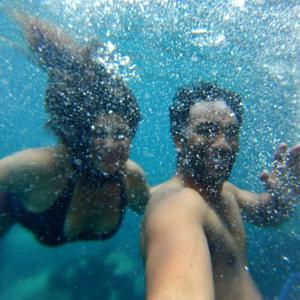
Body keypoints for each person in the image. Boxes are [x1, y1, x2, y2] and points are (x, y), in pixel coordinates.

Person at [0, 13, 149, 246]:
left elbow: (153, 207)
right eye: (98, 134)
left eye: (120, 134)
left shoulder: (131, 178)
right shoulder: (43, 167)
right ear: (81, 136)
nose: (110, 145)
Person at [141, 82, 300, 300]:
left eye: (231, 133)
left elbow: (268, 213)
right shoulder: (177, 204)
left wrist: (285, 194)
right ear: (178, 140)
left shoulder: (226, 192)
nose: (223, 144)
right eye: (207, 131)